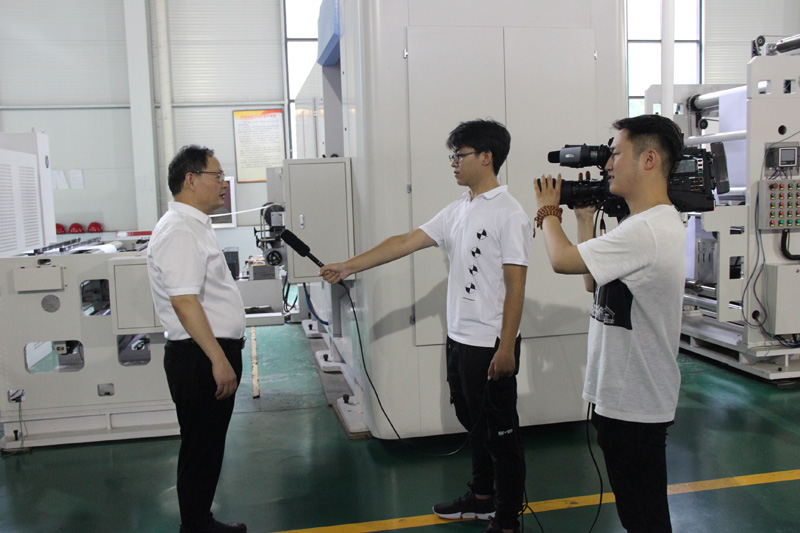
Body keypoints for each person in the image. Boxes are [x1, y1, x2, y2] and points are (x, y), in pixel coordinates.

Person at [320, 119, 531, 533]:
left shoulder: (510, 214)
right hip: (459, 339)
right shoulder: (459, 209)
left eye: (460, 155)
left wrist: (506, 346)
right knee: (473, 424)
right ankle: (482, 498)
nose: (453, 162)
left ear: (486, 157)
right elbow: (404, 242)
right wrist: (349, 266)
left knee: (501, 434)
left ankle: (507, 519)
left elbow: (516, 284)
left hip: (490, 344)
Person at [533, 114, 686, 532]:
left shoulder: (647, 230)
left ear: (649, 160)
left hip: (635, 403)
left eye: (616, 154)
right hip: (625, 398)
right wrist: (583, 217)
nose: (607, 165)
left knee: (645, 519)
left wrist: (548, 211)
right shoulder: (644, 226)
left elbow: (562, 260)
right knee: (639, 514)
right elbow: (591, 281)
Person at [147, 145, 247, 533]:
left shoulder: (194, 226)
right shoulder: (179, 230)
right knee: (201, 448)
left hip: (205, 352)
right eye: (216, 176)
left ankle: (199, 521)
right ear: (190, 180)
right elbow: (184, 301)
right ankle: (195, 526)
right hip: (201, 356)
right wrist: (218, 360)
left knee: (206, 446)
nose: (223, 184)